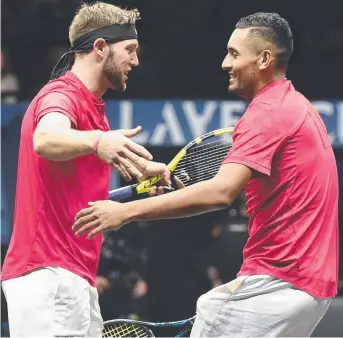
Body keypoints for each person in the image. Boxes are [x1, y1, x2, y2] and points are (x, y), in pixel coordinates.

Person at [72, 12, 339, 337]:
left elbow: (219, 192)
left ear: (265, 59)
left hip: (278, 281)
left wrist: (124, 212)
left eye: (234, 54)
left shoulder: (266, 113)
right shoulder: (299, 107)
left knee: (211, 306)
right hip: (312, 285)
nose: (225, 63)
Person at [1, 2, 169, 337]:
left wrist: (142, 174)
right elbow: (45, 138)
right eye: (130, 50)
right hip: (47, 275)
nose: (135, 61)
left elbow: (77, 196)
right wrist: (98, 141)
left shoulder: (94, 111)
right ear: (100, 47)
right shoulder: (62, 95)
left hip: (75, 277)